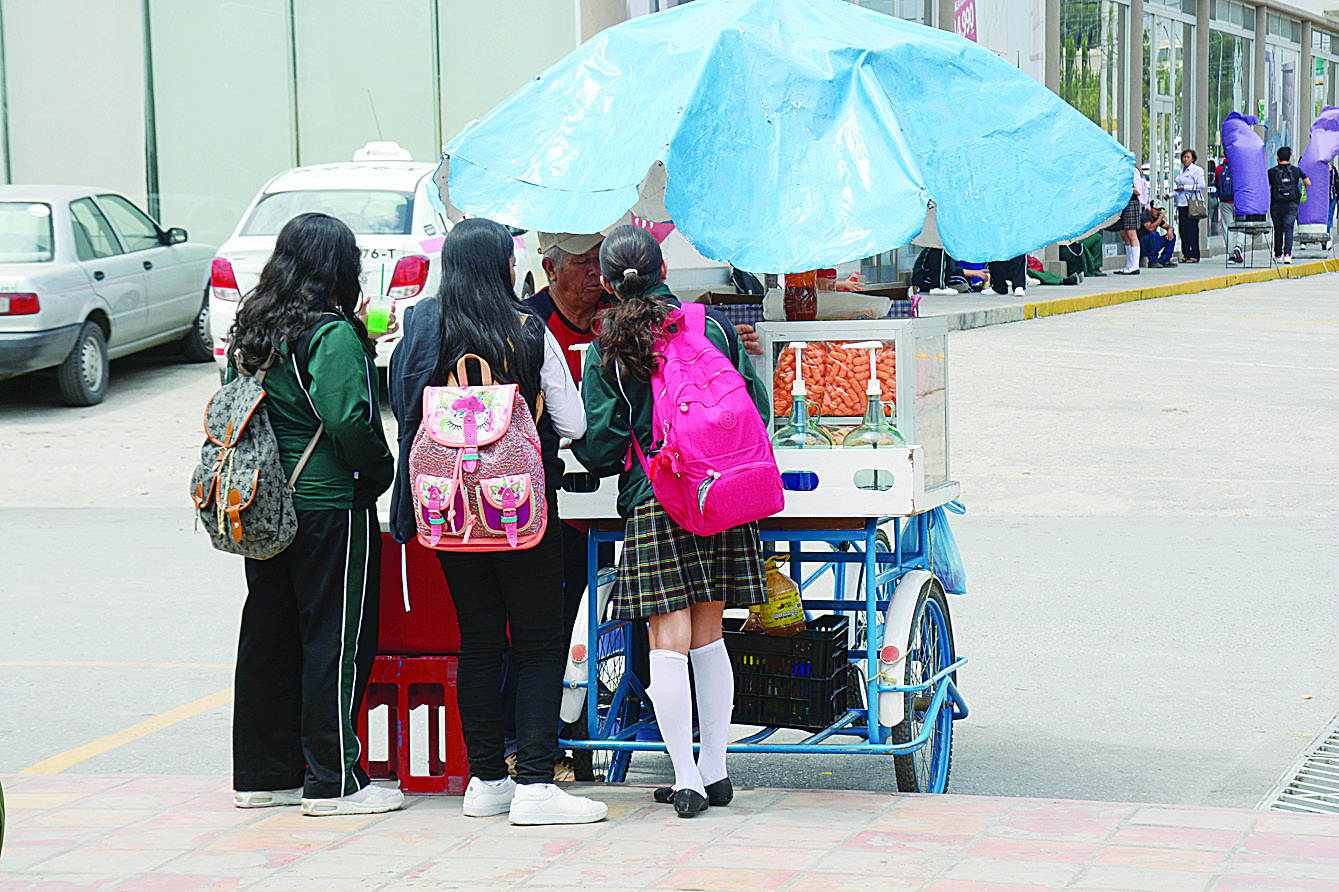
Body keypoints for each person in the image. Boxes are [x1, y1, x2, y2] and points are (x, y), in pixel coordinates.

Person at [388, 218, 606, 825]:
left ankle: (486, 782)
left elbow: (405, 410)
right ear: (507, 270)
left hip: (450, 512)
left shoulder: (424, 329)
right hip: (523, 515)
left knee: (479, 643)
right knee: (537, 644)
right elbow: (575, 424)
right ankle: (534, 784)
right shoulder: (530, 332)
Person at [573, 225, 770, 818]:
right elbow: (755, 407)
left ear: (606, 282)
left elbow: (602, 448)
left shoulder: (605, 343)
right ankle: (716, 770)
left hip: (657, 495)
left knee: (669, 637)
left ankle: (684, 778)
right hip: (718, 491)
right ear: (665, 270)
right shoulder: (708, 326)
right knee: (710, 633)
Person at [227, 213, 402, 817]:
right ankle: (334, 782)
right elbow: (350, 420)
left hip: (261, 506)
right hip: (328, 507)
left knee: (267, 637)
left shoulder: (250, 330)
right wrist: (378, 476)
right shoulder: (332, 336)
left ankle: (262, 774)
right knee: (336, 638)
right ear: (339, 268)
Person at [1268, 146, 1310, 263]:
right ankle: (1287, 254)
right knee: (1289, 228)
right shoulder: (1296, 171)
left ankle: (1278, 255)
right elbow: (1308, 183)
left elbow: (1267, 186)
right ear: (1290, 157)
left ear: (1277, 158)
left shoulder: (1272, 172)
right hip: (1292, 204)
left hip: (1276, 204)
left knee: (1278, 229)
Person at [1172, 149, 1206, 263]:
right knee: (1183, 230)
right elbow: (1178, 190)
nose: (1185, 159)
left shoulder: (1196, 170)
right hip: (1181, 203)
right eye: (1184, 157)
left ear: (1193, 159)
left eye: (1188, 157)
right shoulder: (1181, 171)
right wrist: (1170, 195)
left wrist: (1185, 187)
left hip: (1191, 204)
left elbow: (1201, 185)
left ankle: (1194, 254)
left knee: (1192, 230)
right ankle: (1185, 253)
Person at [1217, 157, 1244, 264]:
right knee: (1241, 225)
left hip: (1225, 201)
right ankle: (1239, 245)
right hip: (1239, 202)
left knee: (1227, 228)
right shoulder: (1242, 167)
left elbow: (1216, 184)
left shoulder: (1220, 169)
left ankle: (1231, 256)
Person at [1115, 175, 1144, 275]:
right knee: (1124, 234)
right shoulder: (1120, 170)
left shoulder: (1133, 171)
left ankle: (1135, 266)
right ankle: (1129, 265)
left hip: (1131, 202)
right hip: (1122, 204)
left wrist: (1126, 188)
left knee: (1131, 234)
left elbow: (1138, 191)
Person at [1138, 202, 1177, 268]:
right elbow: (1151, 228)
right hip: (1142, 246)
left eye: (1160, 210)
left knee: (1172, 236)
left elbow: (1169, 227)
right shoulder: (1144, 215)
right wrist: (1160, 218)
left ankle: (1164, 260)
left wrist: (1170, 230)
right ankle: (1153, 261)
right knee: (1154, 234)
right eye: (1156, 209)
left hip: (1153, 245)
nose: (1158, 212)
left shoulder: (1157, 218)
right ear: (1150, 209)